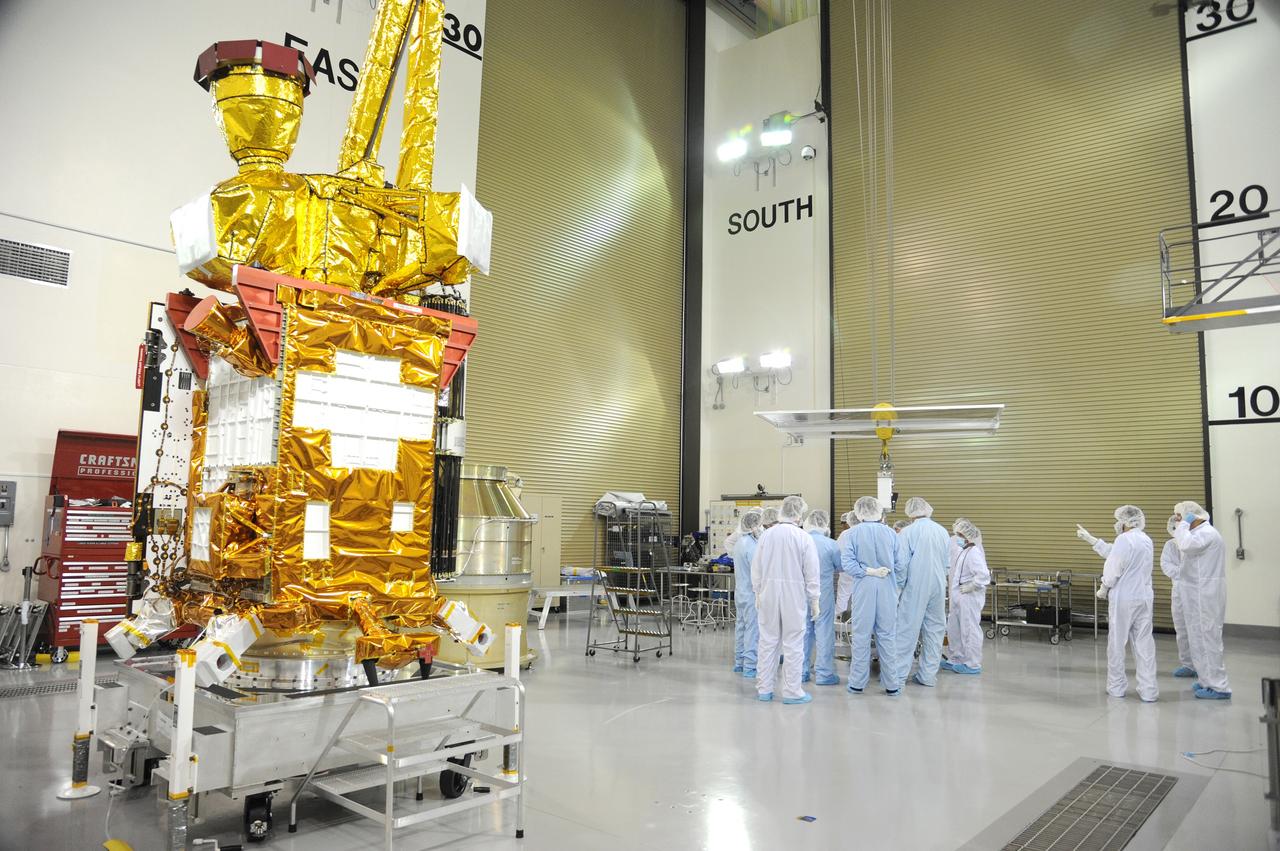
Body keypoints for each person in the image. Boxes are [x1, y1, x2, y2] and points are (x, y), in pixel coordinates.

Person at [752, 496, 820, 704]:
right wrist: (814, 599)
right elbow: (812, 571)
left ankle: (764, 689)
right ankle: (792, 691)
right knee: (793, 643)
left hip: (768, 593)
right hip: (794, 594)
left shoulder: (766, 536)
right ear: (799, 515)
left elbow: (756, 568)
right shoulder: (803, 537)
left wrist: (757, 592)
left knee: (767, 641)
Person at [1094, 505, 1157, 702]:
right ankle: (1149, 691)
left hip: (1124, 598)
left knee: (1117, 643)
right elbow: (1118, 555)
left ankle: (1116, 687)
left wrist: (1104, 587)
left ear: (1126, 522)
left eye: (1118, 520)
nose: (1116, 524)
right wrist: (1093, 540)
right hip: (1144, 597)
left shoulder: (1123, 539)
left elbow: (1114, 568)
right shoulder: (1146, 539)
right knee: (1144, 644)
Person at [888, 497, 950, 689]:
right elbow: (948, 563)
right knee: (935, 630)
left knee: (907, 629)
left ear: (910, 512)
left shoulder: (907, 532)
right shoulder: (942, 531)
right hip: (939, 585)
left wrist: (897, 589)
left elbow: (902, 564)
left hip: (916, 585)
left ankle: (897, 677)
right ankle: (928, 676)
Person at [1172, 501, 1231, 700]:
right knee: (1197, 637)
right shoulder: (1197, 533)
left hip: (1205, 594)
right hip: (1198, 592)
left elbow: (1185, 544)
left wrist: (1183, 525)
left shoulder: (1206, 533)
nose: (1177, 521)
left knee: (1208, 639)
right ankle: (1207, 680)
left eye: (1179, 516)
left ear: (1192, 516)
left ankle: (1220, 686)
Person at [841, 496, 900, 695]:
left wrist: (868, 571)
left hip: (864, 586)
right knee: (887, 635)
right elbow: (900, 565)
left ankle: (857, 683)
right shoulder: (891, 533)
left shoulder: (851, 534)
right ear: (879, 512)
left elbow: (848, 564)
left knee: (861, 635)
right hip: (887, 587)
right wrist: (892, 582)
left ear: (858, 513)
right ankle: (892, 684)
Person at [942, 518, 989, 675]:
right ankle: (956, 658)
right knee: (954, 627)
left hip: (969, 596)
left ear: (967, 536)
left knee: (969, 629)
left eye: (959, 535)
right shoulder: (964, 551)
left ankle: (972, 664)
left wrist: (972, 586)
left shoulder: (974, 552)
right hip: (958, 595)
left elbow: (983, 575)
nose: (957, 538)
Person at [801, 510, 842, 686]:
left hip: (800, 594)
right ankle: (824, 674)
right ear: (825, 524)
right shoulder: (831, 544)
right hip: (823, 594)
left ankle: (801, 671)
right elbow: (841, 567)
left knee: (802, 632)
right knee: (824, 632)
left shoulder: (799, 541)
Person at [1159, 514, 1195, 678]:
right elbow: (1166, 564)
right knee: (1181, 629)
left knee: (1198, 629)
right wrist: (1181, 573)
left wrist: (1186, 574)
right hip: (1179, 590)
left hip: (1197, 591)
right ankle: (1187, 664)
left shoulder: (1195, 543)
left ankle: (1202, 665)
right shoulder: (1170, 545)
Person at [732, 510, 763, 677]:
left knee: (741, 627)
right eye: (759, 525)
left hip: (740, 592)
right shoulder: (752, 546)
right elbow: (758, 571)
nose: (761, 528)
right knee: (752, 629)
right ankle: (750, 666)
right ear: (753, 526)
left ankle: (739, 662)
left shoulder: (739, 543)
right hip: (751, 594)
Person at [835, 511, 857, 620]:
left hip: (846, 570)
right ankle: (854, 621)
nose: (843, 526)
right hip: (862, 571)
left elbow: (837, 551)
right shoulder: (863, 532)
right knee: (859, 597)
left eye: (843, 523)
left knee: (843, 597)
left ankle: (840, 623)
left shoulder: (845, 534)